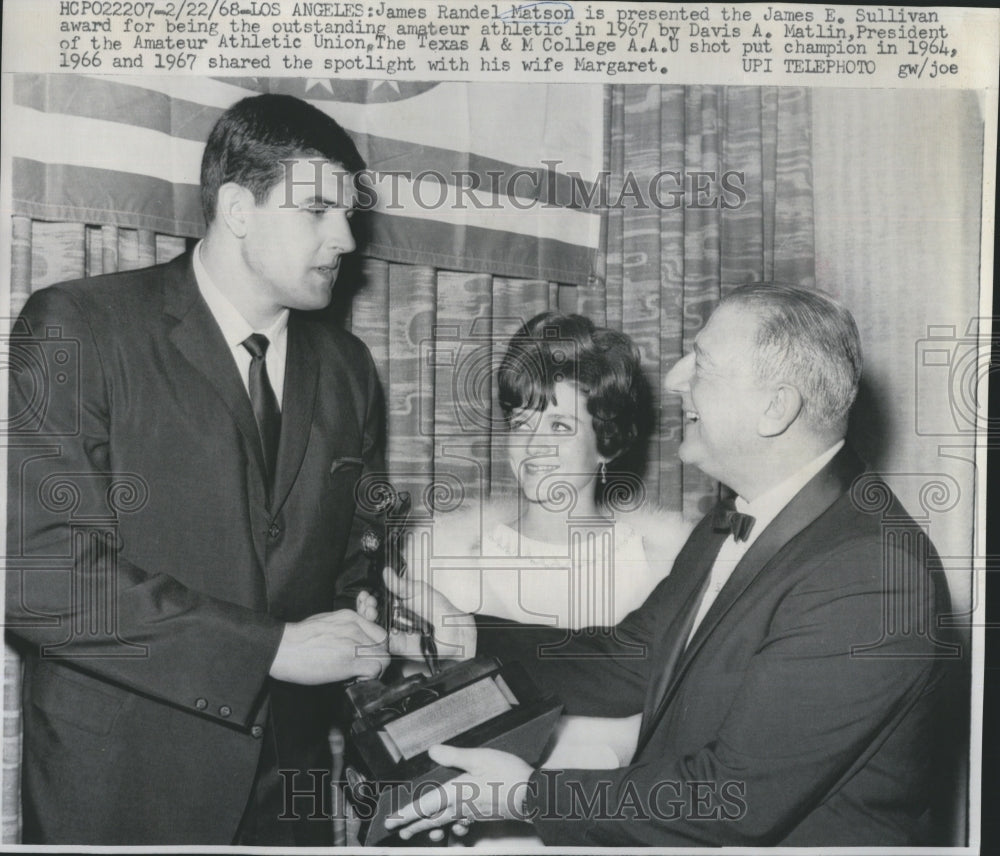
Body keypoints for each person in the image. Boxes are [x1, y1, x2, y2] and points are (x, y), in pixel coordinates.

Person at [377, 283, 958, 846]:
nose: (676, 379)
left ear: (776, 408)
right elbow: (628, 659)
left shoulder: (871, 577)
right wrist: (468, 636)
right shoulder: (734, 516)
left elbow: (732, 799)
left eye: (700, 365)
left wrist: (528, 795)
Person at [5, 94, 391, 845]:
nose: (346, 237)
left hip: (291, 797)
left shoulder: (349, 369)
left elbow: (349, 556)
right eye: (318, 210)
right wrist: (270, 649)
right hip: (124, 792)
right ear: (238, 208)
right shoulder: (79, 327)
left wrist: (387, 613)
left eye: (348, 213)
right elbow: (41, 574)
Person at [423, 312, 690, 632]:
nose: (533, 445)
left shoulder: (662, 569)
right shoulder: (448, 563)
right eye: (522, 423)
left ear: (606, 444)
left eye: (559, 426)